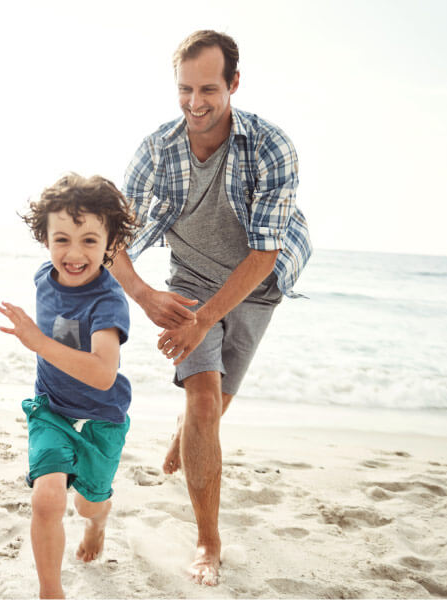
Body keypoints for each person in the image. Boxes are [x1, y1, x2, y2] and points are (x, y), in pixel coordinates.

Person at [109, 31, 313, 585]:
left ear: (233, 84)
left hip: (257, 281)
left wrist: (206, 321)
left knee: (212, 409)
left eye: (208, 89)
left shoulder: (272, 146)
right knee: (203, 405)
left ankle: (186, 433)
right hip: (191, 277)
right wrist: (146, 293)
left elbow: (265, 253)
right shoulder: (157, 148)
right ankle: (208, 540)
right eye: (184, 89)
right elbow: (113, 235)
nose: (194, 103)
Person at [0, 174, 135, 599]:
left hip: (101, 417)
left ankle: (98, 521)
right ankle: (50, 591)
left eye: (90, 241)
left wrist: (37, 342)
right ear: (44, 238)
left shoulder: (108, 301)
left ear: (112, 244)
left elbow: (102, 373)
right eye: (62, 240)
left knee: (86, 504)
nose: (74, 254)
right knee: (47, 500)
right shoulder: (44, 276)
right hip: (51, 409)